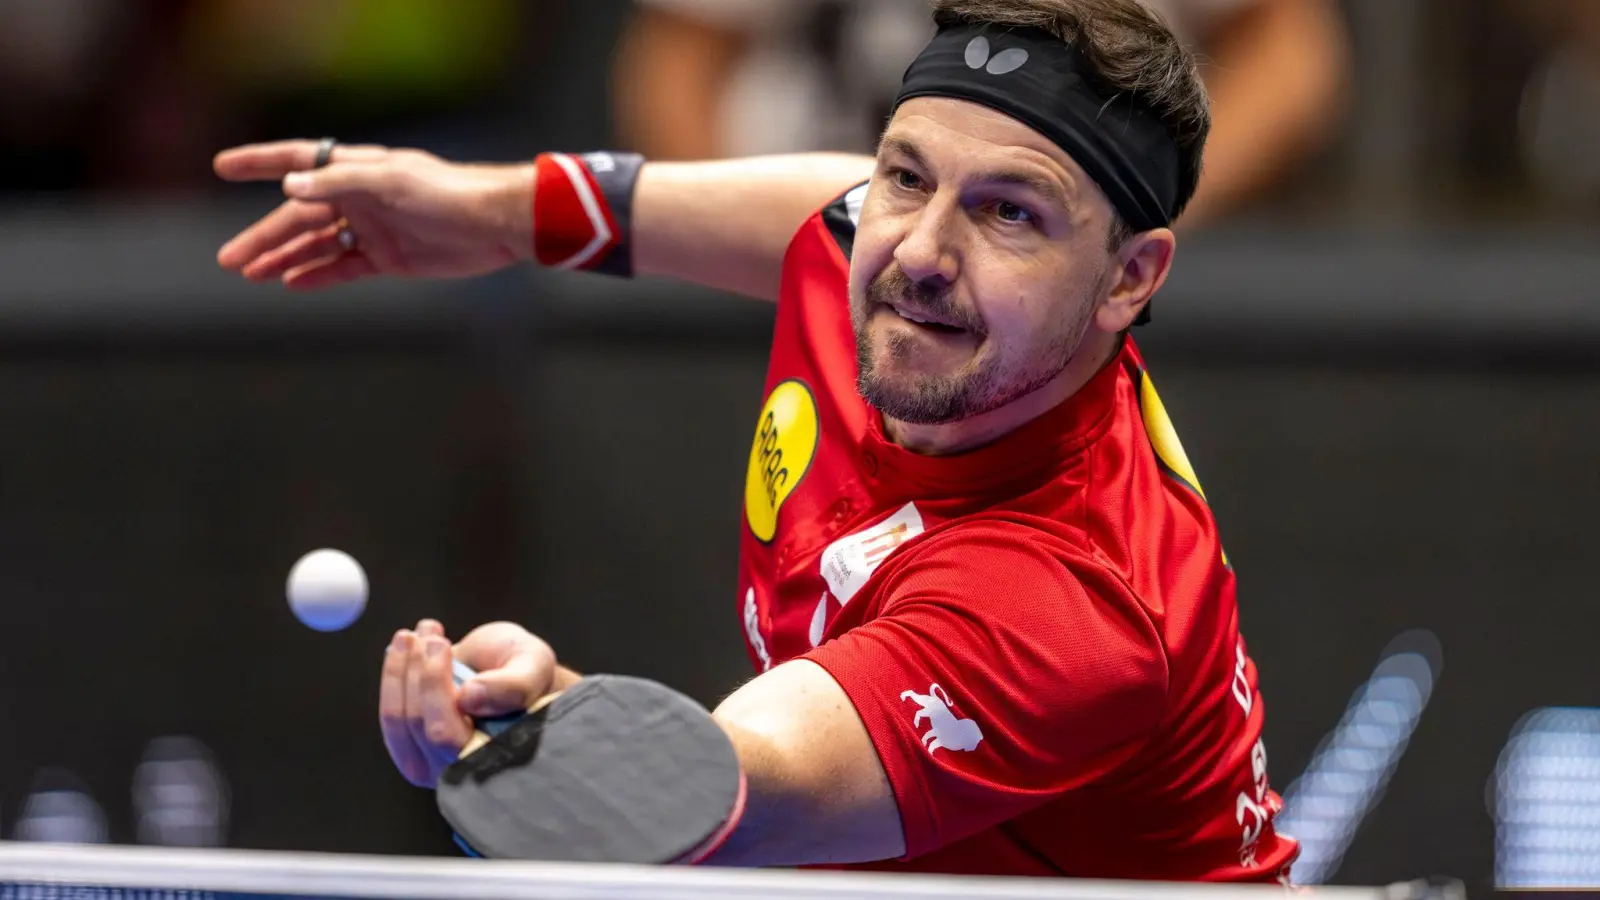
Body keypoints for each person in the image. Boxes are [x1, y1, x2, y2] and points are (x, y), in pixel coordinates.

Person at [215, 0, 1297, 879]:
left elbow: (735, 791)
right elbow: (820, 207)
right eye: (908, 175)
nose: (919, 250)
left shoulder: (1065, 609)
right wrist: (492, 209)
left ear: (1130, 278)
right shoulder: (884, 260)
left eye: (1011, 213)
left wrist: (545, 728)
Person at [614, 0, 1349, 228]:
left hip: (1065, 269)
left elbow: (1290, 57)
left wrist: (1144, 213)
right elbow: (677, 60)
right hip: (815, 244)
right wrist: (757, 241)